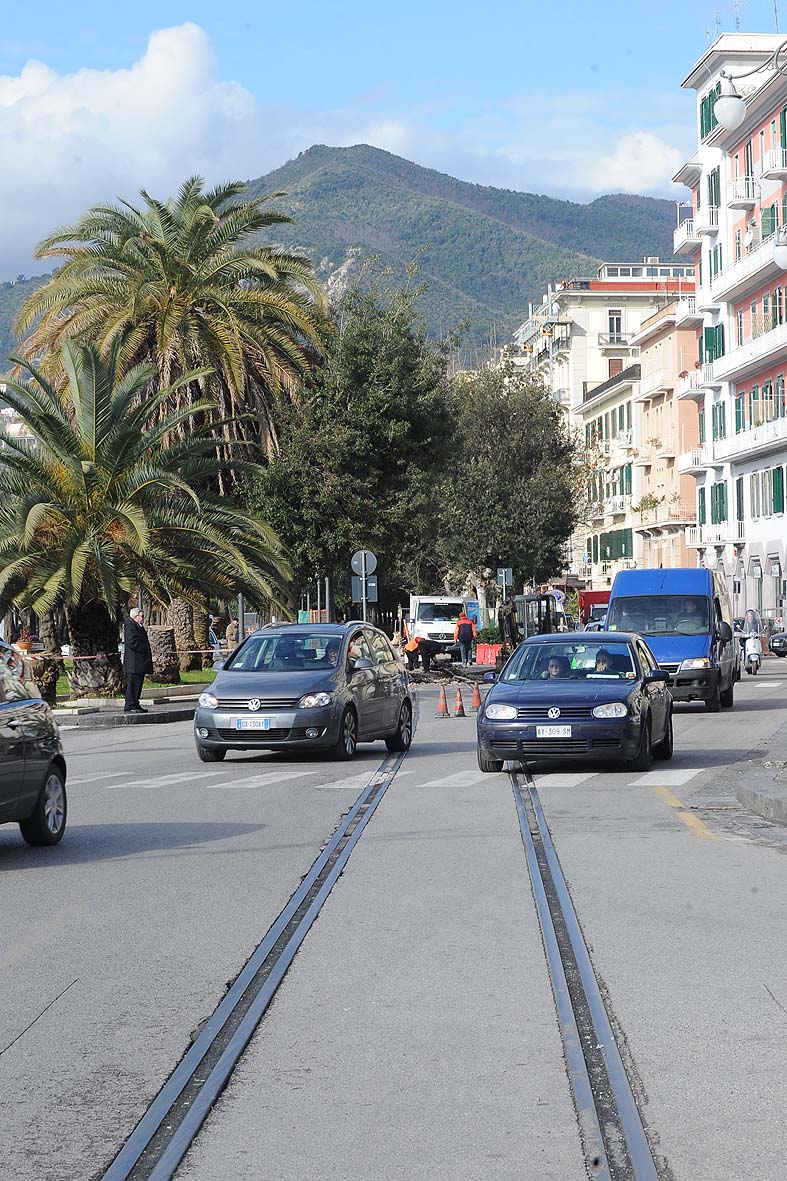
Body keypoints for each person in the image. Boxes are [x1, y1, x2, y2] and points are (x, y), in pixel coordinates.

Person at [123, 607, 153, 714]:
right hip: (134, 663)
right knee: (133, 685)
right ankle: (130, 705)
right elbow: (132, 642)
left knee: (138, 685)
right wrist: (144, 648)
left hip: (139, 663)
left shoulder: (138, 627)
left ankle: (135, 703)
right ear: (136, 617)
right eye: (142, 616)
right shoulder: (131, 627)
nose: (143, 618)